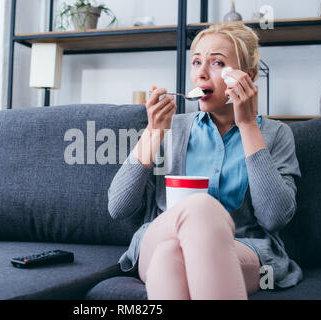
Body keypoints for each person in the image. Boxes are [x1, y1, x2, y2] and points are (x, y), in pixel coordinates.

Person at [108, 22, 302, 300]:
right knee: (197, 210)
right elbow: (118, 207)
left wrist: (247, 124)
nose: (200, 72)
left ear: (248, 75)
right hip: (160, 235)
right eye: (196, 61)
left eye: (217, 63)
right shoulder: (169, 128)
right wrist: (153, 133)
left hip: (242, 246)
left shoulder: (276, 134)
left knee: (168, 257)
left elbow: (274, 218)